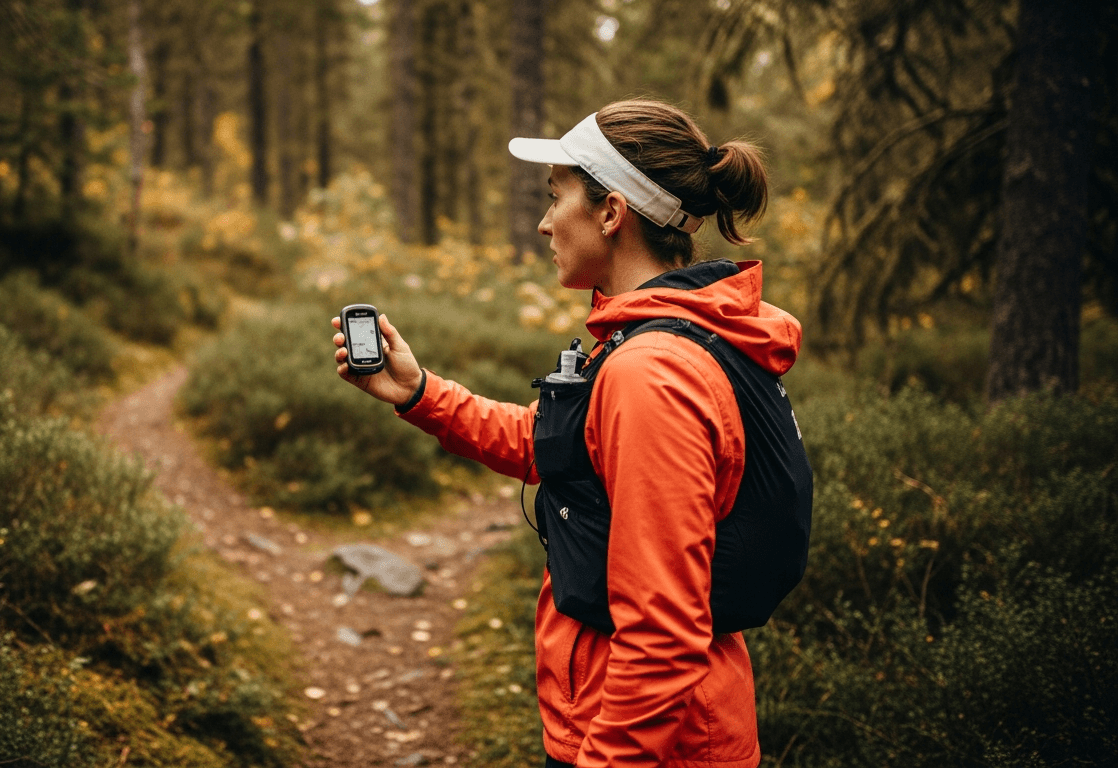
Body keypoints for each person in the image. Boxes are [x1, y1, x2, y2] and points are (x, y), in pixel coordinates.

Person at [330, 99, 809, 768]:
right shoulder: (657, 339)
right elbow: (556, 447)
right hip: (647, 726)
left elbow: (664, 636)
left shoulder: (652, 373)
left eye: (557, 197)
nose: (545, 221)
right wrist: (419, 393)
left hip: (653, 745)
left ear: (611, 213)